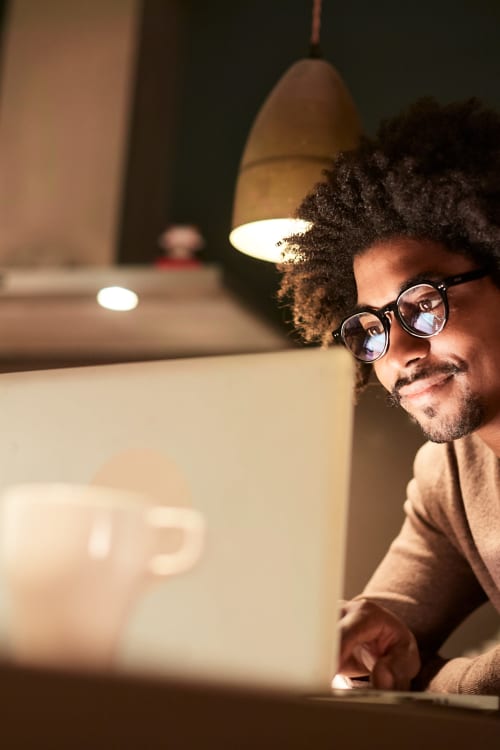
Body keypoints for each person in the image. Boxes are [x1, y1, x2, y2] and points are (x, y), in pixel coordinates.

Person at [278, 97, 500, 696]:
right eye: (371, 327)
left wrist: (425, 677)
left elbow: (424, 676)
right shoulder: (449, 474)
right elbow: (366, 650)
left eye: (424, 304)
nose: (397, 351)